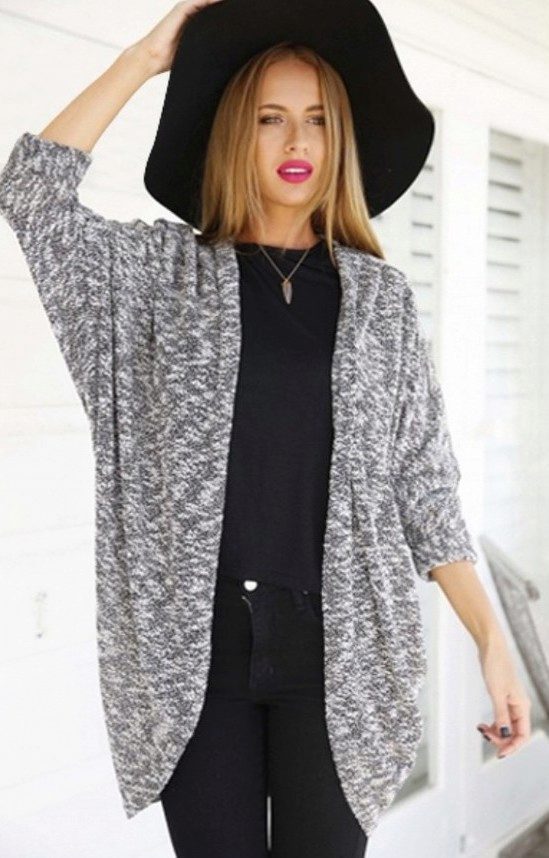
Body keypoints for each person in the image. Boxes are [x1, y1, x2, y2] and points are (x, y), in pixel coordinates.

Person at [0, 0, 532, 856]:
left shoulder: (380, 303)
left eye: (317, 120)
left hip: (341, 655)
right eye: (270, 118)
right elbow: (31, 193)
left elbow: (424, 490)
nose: (296, 142)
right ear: (233, 135)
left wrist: (490, 644)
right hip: (194, 659)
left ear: (339, 140)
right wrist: (147, 56)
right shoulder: (154, 279)